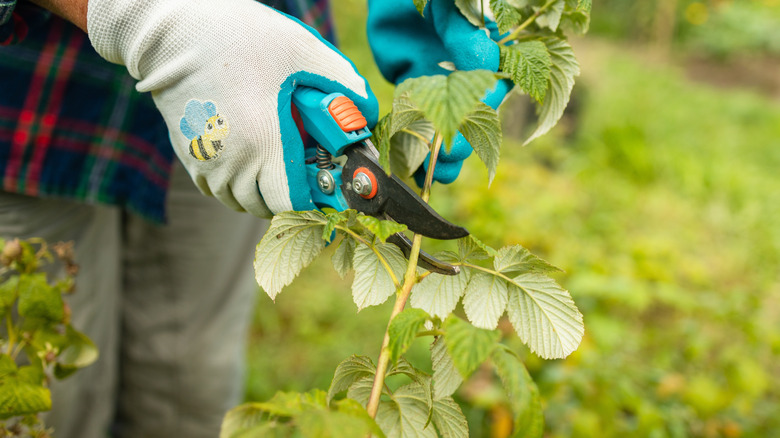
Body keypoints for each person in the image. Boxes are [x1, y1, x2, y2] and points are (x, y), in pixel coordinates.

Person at [0, 0, 509, 436]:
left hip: (250, 81)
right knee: (45, 394)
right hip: (36, 99)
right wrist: (143, 15)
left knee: (191, 384)